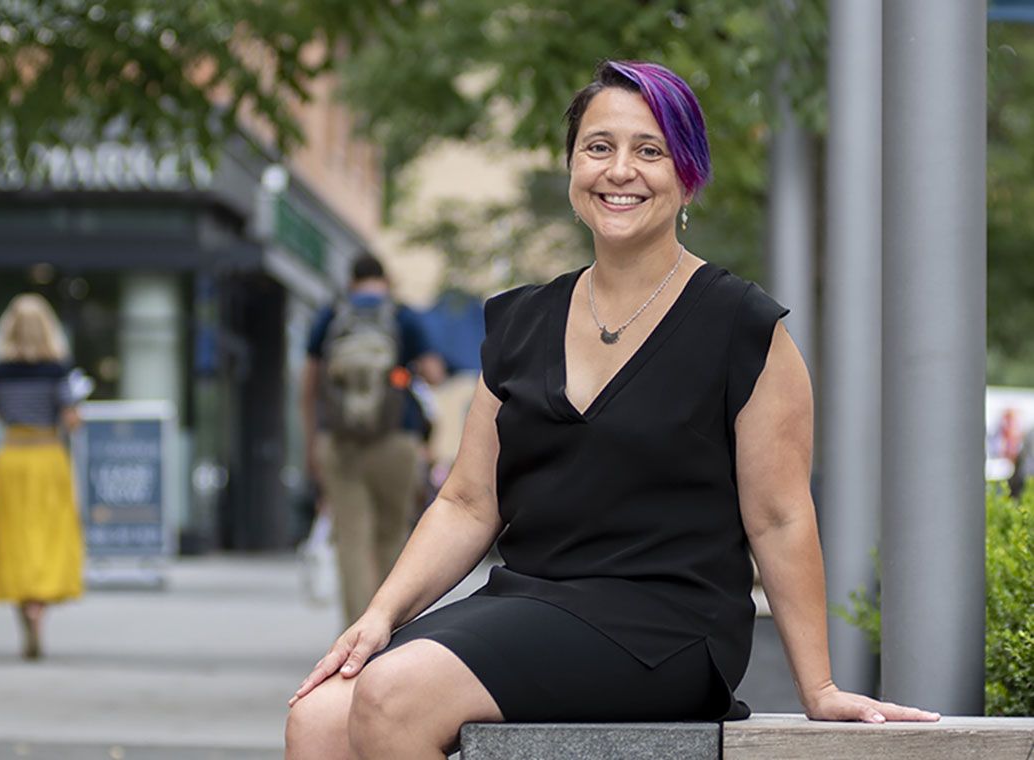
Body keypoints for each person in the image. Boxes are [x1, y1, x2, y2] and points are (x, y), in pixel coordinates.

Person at [285, 61, 941, 759]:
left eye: (649, 150)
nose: (619, 169)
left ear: (687, 176)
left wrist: (820, 688)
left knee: (395, 696)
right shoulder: (521, 322)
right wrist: (379, 616)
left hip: (666, 625)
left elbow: (779, 515)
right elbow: (469, 503)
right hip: (528, 603)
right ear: (571, 168)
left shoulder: (742, 327)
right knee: (319, 715)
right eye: (598, 147)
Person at [300, 252, 446, 626]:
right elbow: (433, 374)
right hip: (395, 439)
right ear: (386, 279)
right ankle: (388, 633)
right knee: (392, 537)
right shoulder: (402, 316)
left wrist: (312, 444)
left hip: (340, 440)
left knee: (351, 539)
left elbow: (309, 387)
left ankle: (353, 639)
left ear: (351, 280)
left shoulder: (332, 316)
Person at [0, 294, 83, 660]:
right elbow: (71, 419)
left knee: (15, 538)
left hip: (12, 456)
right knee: (49, 535)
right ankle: (39, 606)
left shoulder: (0, 369)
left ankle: (24, 607)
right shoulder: (59, 368)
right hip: (46, 456)